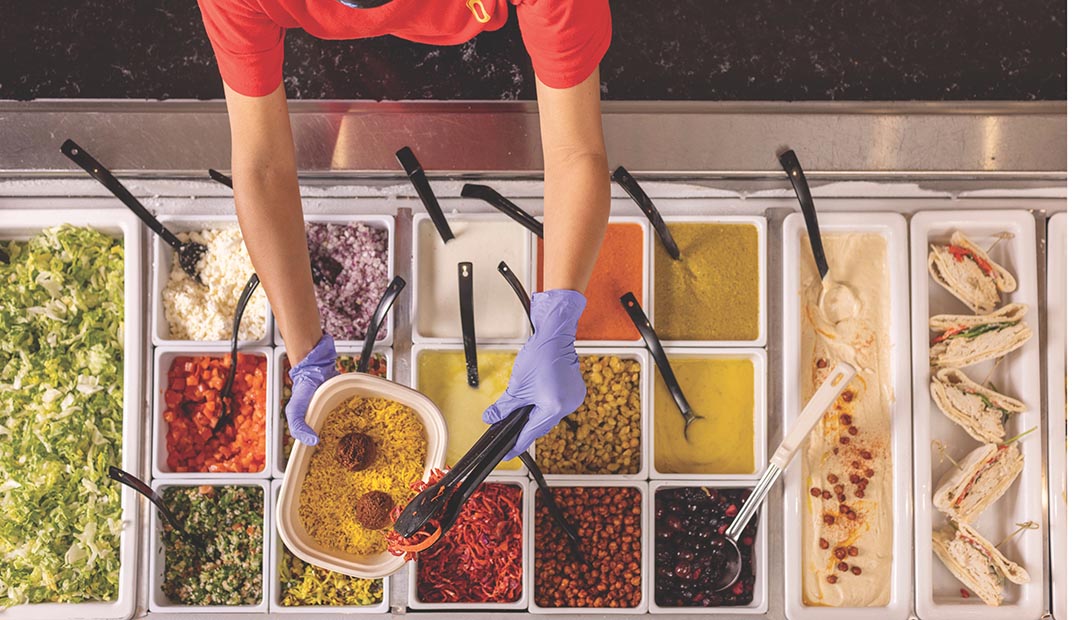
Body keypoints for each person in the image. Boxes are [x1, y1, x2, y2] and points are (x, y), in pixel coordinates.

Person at [197, 0, 613, 459]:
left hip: (496, 64)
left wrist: (558, 321)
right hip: (338, 73)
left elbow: (576, 150)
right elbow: (262, 165)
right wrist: (306, 356)